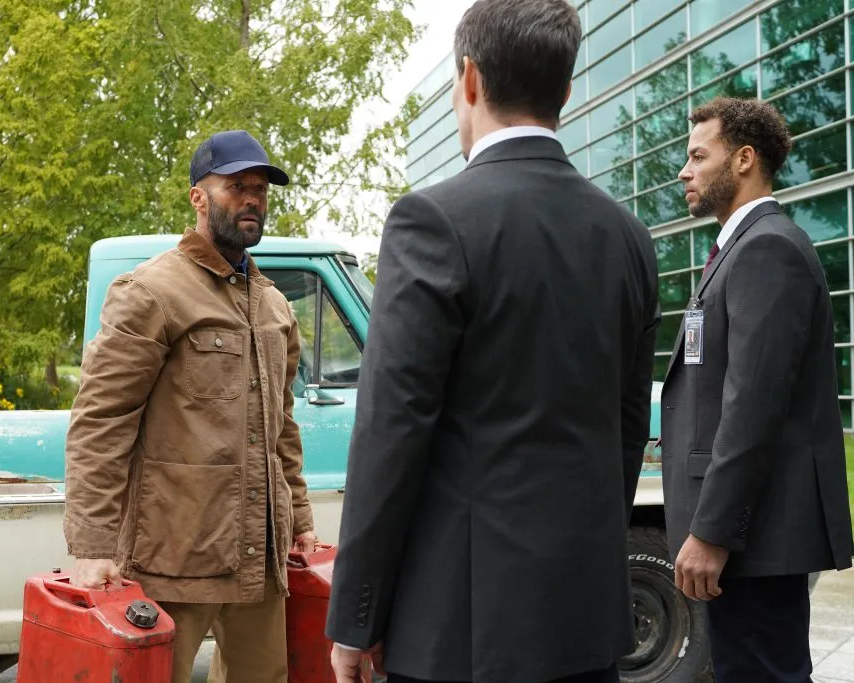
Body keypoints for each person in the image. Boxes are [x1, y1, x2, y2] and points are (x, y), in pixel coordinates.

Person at [324, 1, 661, 681]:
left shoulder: (433, 220)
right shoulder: (628, 238)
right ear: (566, 91)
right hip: (584, 619)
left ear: (469, 80)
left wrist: (356, 618)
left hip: (461, 629)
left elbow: (391, 432)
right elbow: (626, 430)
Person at [62, 129, 318, 683]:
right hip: (174, 555)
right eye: (236, 186)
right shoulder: (152, 292)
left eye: (261, 189)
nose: (253, 199)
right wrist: (94, 546)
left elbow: (282, 425)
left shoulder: (274, 306)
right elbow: (101, 421)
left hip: (259, 558)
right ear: (198, 197)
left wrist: (297, 516)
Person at [662, 97, 854, 683]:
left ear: (744, 159)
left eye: (699, 156)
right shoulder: (737, 250)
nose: (684, 171)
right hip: (753, 534)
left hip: (756, 536)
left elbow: (752, 407)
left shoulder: (768, 248)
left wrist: (712, 531)